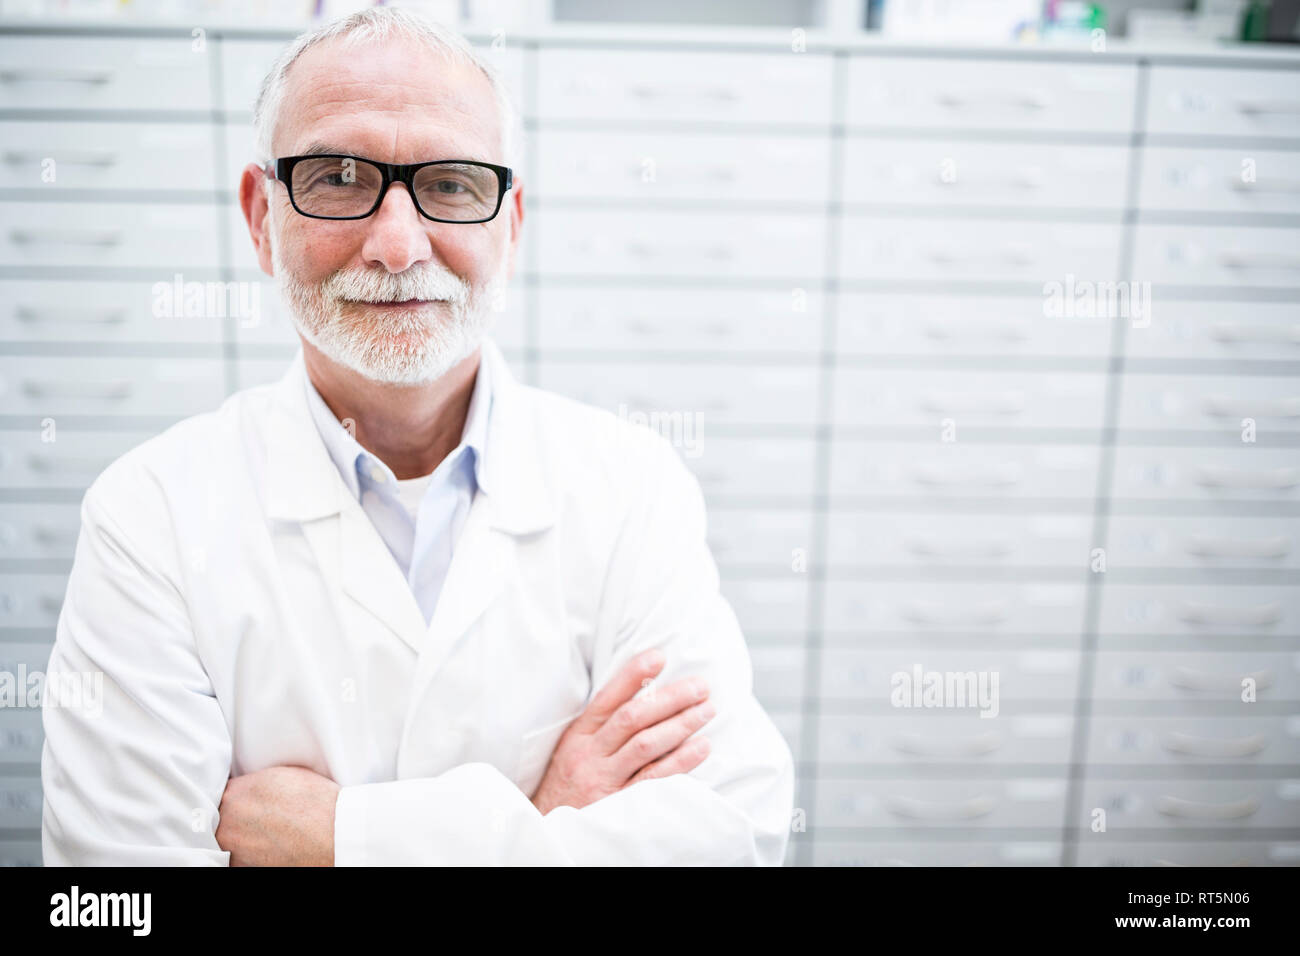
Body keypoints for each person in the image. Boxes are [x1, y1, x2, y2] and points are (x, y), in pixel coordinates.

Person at [40, 7, 794, 866]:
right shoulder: (149, 518)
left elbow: (734, 836)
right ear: (260, 217)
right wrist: (545, 818)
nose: (398, 246)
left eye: (451, 185)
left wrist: (345, 840)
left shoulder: (631, 492)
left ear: (510, 227)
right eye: (336, 177)